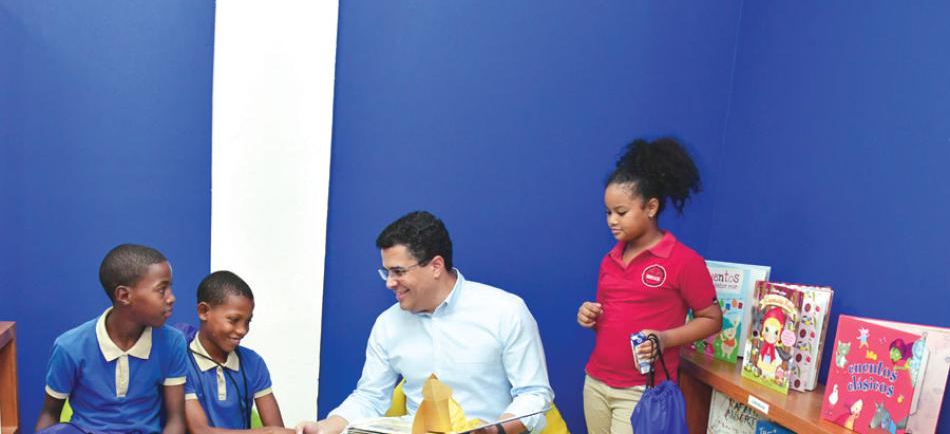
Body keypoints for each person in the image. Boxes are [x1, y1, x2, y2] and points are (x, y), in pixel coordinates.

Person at [296, 211, 554, 434]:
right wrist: (327, 426)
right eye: (386, 272)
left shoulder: (505, 311)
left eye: (398, 271)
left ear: (435, 266)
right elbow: (371, 396)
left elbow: (534, 394)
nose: (389, 282)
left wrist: (496, 430)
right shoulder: (388, 324)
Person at [576, 137, 722, 434]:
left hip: (641, 391)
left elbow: (713, 319)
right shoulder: (610, 259)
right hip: (596, 382)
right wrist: (590, 316)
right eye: (608, 213)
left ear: (651, 207)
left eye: (621, 212)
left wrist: (665, 339)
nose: (612, 221)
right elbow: (610, 318)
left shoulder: (684, 261)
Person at [35, 244, 188, 434]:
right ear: (123, 295)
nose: (171, 298)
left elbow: (176, 419)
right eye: (161, 289)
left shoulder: (173, 342)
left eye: (170, 288)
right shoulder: (70, 347)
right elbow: (49, 415)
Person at [181, 270, 293, 434]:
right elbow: (199, 431)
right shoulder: (180, 362)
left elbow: (277, 429)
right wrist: (265, 432)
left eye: (248, 321)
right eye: (233, 320)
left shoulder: (253, 362)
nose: (242, 330)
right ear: (204, 311)